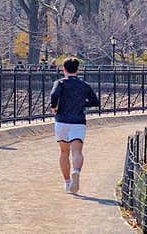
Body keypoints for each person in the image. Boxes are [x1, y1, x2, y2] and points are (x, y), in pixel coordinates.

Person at [50, 55, 100, 194]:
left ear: (64, 69)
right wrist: (82, 104)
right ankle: (76, 171)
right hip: (78, 121)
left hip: (62, 120)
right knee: (77, 151)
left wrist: (54, 107)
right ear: (78, 69)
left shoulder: (60, 83)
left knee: (64, 152)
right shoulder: (84, 85)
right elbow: (95, 102)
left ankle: (67, 182)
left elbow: (54, 96)